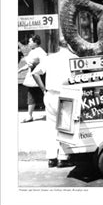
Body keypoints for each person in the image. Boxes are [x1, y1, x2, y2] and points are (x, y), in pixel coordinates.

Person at [32, 38, 78, 168]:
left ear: (58, 46)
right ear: (69, 45)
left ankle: (51, 158)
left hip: (50, 94)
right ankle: (63, 158)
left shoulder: (49, 58)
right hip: (66, 93)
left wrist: (43, 90)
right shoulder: (73, 58)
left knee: (51, 127)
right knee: (65, 126)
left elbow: (35, 73)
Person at [18, 35, 47, 123]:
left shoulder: (41, 52)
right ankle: (29, 115)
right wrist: (22, 69)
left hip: (39, 77)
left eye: (30, 41)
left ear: (35, 42)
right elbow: (30, 63)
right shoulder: (33, 51)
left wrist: (35, 65)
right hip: (32, 77)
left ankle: (50, 114)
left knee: (44, 95)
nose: (29, 43)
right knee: (31, 95)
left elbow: (44, 64)